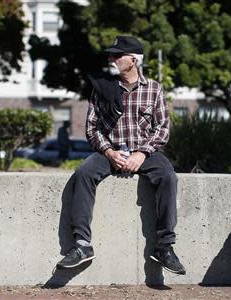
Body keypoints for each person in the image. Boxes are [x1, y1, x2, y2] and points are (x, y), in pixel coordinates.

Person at [56, 36, 186, 275]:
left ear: (133, 60)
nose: (110, 59)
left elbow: (163, 128)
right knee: (83, 173)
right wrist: (108, 151)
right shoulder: (102, 87)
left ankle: (165, 247)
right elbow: (92, 128)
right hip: (110, 151)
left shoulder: (154, 89)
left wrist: (142, 153)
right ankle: (82, 245)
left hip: (145, 152)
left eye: (117, 55)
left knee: (168, 176)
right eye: (110, 55)